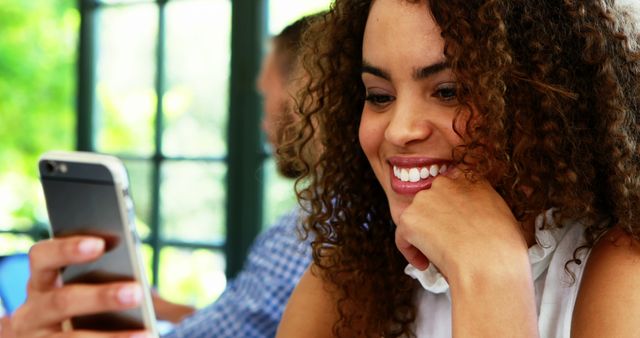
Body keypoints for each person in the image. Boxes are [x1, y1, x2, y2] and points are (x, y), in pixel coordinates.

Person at [276, 0, 640, 337]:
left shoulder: (625, 269)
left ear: (546, 101)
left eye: (448, 92)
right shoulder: (346, 283)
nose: (400, 130)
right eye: (380, 96)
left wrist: (490, 276)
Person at [0, 14, 318, 338]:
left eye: (266, 97)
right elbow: (241, 319)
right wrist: (159, 308)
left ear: (303, 95)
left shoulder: (315, 225)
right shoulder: (318, 221)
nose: (263, 123)